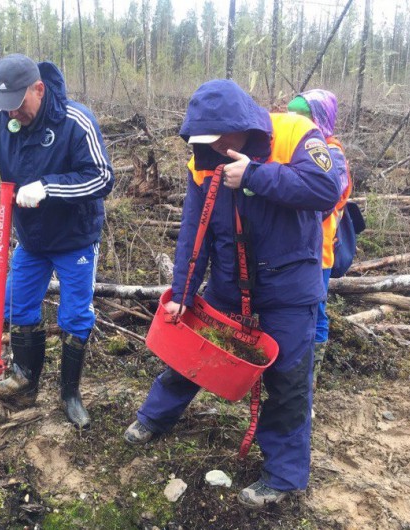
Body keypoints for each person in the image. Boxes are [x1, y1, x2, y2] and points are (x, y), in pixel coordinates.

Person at [123, 79, 340, 508]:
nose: (214, 146)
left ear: (239, 125)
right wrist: (184, 291)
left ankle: (283, 477)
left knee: (289, 384)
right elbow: (193, 231)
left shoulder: (294, 133)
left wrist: (256, 176)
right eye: (205, 140)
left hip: (289, 289)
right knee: (193, 354)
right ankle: (153, 418)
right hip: (226, 283)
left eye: (219, 137)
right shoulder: (203, 163)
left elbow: (326, 189)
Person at [0, 54, 114, 429]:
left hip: (75, 237)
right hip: (32, 238)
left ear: (38, 89)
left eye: (19, 106)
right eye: (5, 107)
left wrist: (49, 187)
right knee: (18, 304)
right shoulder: (0, 118)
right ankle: (26, 380)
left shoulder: (75, 121)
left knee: (74, 316)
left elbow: (103, 178)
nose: (12, 115)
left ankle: (70, 394)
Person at [287, 90, 352, 390]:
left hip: (318, 250)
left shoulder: (332, 155)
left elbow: (325, 200)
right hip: (292, 247)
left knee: (316, 312)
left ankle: (308, 382)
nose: (293, 121)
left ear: (318, 120)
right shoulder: (296, 146)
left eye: (301, 116)